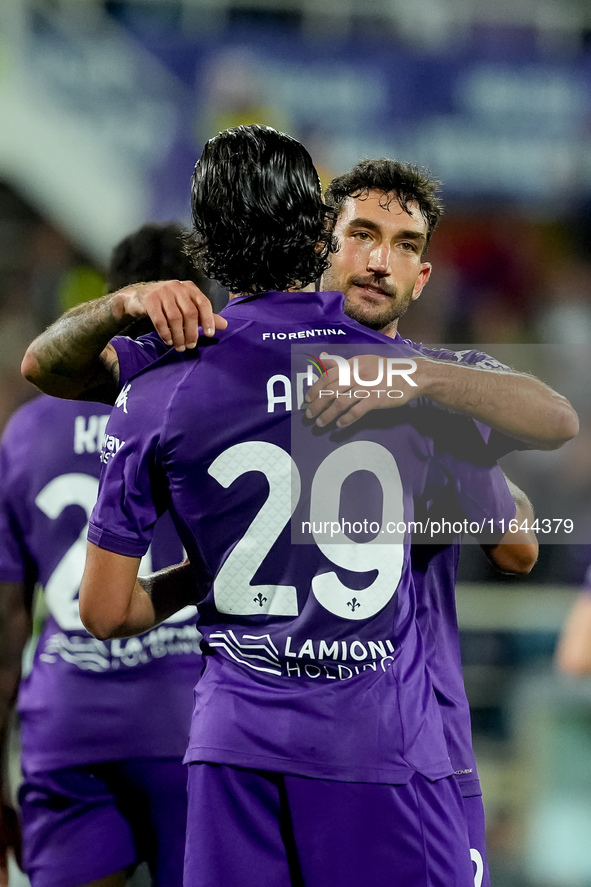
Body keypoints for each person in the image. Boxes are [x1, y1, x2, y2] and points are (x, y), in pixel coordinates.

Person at [20, 158, 550, 887]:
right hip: (386, 747)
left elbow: (48, 374)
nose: (376, 259)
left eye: (402, 244)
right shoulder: (428, 391)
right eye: (361, 234)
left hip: (273, 737)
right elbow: (526, 517)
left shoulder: (180, 376)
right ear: (319, 245)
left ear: (422, 275)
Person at [0, 223, 212, 887]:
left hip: (67, 723)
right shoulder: (212, 405)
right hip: (192, 720)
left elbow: (5, 630)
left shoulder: (28, 428)